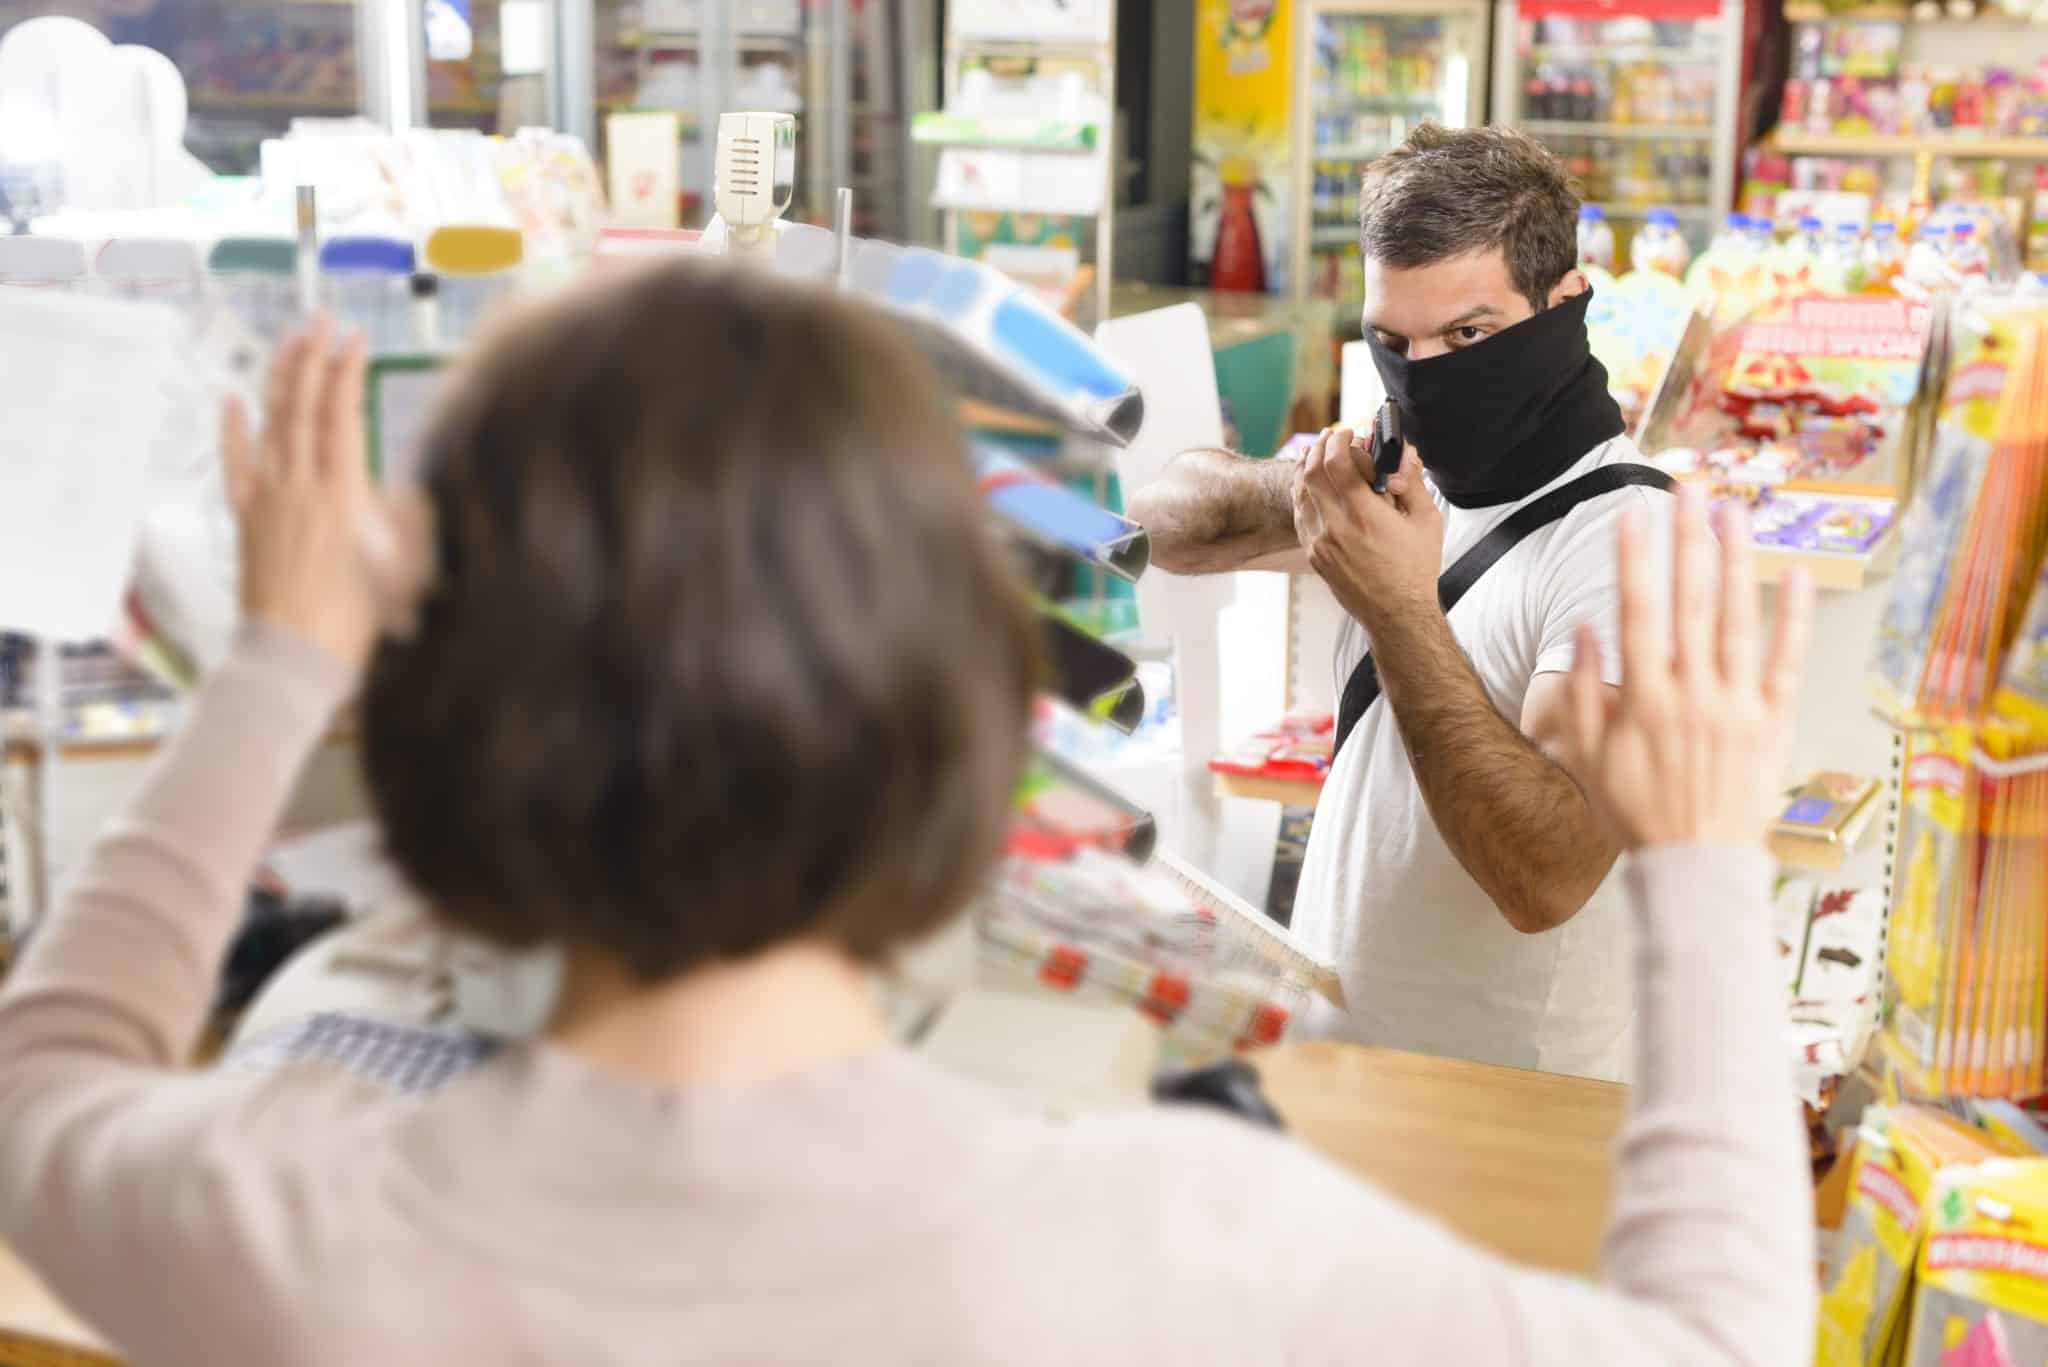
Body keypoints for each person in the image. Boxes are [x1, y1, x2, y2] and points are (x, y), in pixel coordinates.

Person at [0, 262, 1815, 1364]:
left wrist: (278, 661)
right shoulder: (1177, 1247)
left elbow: (52, 1070)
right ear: (964, 741)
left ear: (429, 756)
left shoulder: (302, 1225)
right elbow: (1711, 1340)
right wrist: (1701, 861)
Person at [1130, 125, 1673, 1080]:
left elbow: (1547, 873)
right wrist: (1304, 494)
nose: (1427, 376)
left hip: (1502, 1119)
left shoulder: (1632, 538)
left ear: (1567, 302)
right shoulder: (1414, 470)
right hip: (1348, 1079)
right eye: (1394, 340)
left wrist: (1396, 606)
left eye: (1470, 334)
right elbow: (1158, 524)